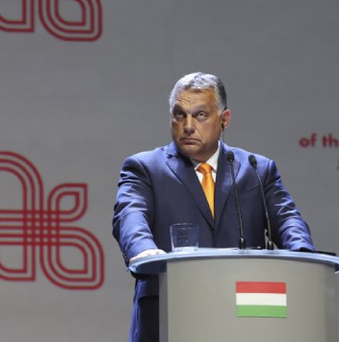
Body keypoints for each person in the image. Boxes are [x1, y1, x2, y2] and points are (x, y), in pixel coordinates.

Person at [112, 72, 314, 342]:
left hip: (244, 315)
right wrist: (144, 250)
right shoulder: (145, 168)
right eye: (179, 114)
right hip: (171, 313)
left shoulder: (256, 169)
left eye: (200, 115)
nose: (188, 125)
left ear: (224, 119)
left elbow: (287, 219)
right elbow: (129, 215)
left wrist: (304, 257)